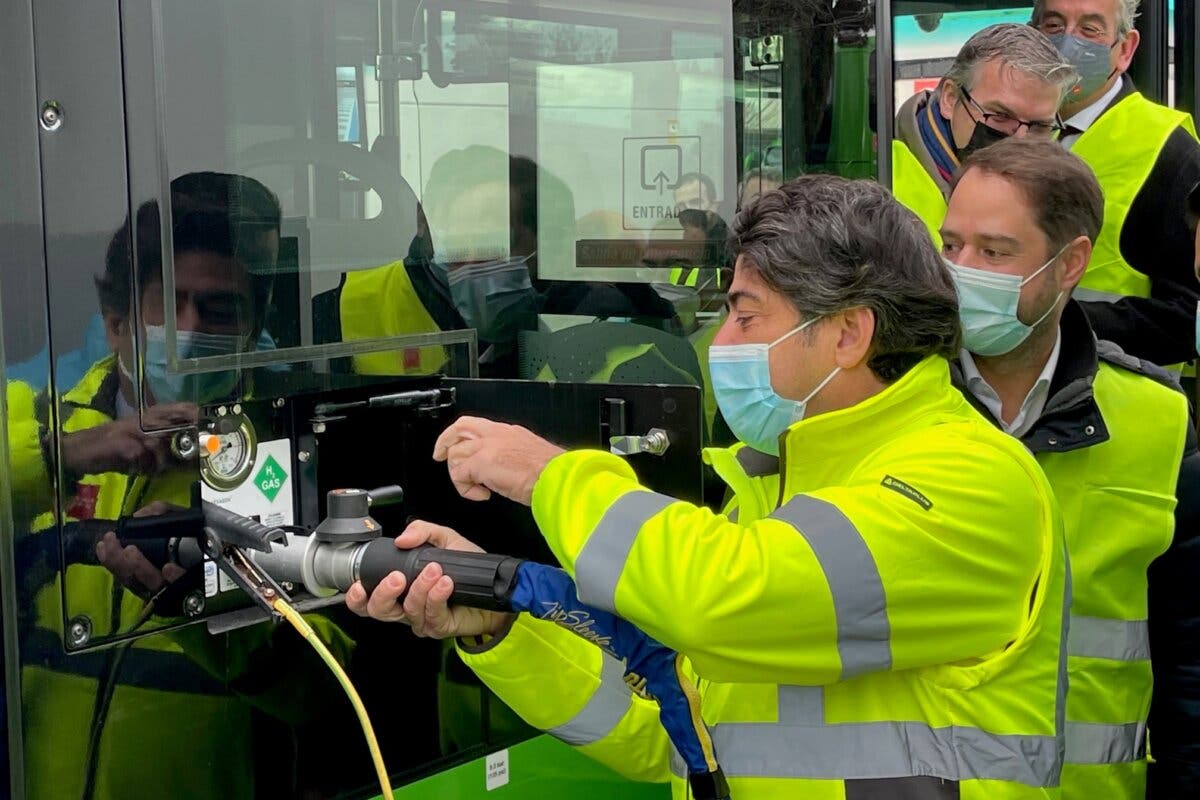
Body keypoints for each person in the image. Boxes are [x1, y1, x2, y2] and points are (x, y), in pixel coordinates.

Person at [349, 175, 1072, 798]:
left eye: (746, 315)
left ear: (850, 335)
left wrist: (545, 473)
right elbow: (668, 728)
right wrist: (504, 622)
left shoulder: (970, 481)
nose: (721, 344)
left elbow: (719, 599)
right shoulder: (770, 482)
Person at [6, 171, 355, 799]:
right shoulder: (46, 432)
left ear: (253, 330)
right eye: (173, 305)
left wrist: (221, 610)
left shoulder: (285, 453)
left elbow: (334, 692)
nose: (193, 329)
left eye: (221, 311)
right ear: (117, 324)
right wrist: (60, 455)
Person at [940, 137, 1200, 799]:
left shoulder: (1158, 422)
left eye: (995, 252)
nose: (963, 271)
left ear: (1070, 264)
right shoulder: (892, 402)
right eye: (950, 247)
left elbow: (1190, 661)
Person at [1032, 0, 1200, 369]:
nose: (1068, 43)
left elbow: (1189, 317)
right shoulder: (1002, 127)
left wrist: (1053, 322)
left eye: (1090, 30)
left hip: (1114, 403)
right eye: (1054, 25)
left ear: (1124, 49)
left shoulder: (1171, 152)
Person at [893, 23, 1076, 244]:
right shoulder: (885, 182)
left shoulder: (1049, 191)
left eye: (1039, 127)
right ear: (950, 99)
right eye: (999, 116)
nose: (1020, 141)